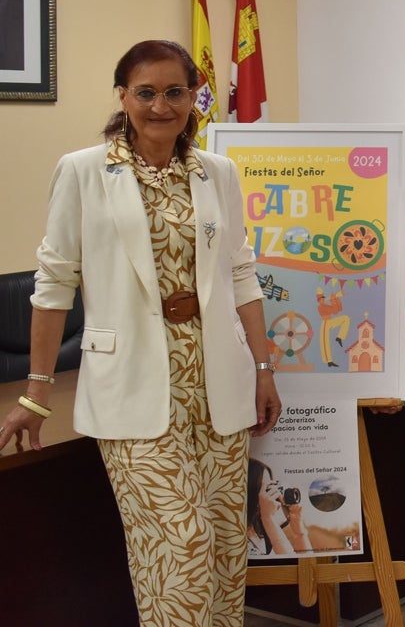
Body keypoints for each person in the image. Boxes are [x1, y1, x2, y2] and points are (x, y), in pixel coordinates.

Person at [0, 39, 282, 626]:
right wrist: (34, 393)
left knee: (226, 551)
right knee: (181, 545)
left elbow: (240, 272)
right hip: (133, 391)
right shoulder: (83, 171)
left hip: (216, 391)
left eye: (174, 92)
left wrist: (262, 367)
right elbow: (54, 288)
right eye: (146, 92)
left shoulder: (217, 172)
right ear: (123, 97)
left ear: (192, 98)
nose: (161, 105)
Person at [248, 457, 312, 556]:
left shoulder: (261, 534)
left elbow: (307, 562)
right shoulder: (239, 541)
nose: (272, 491)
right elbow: (290, 564)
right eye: (265, 487)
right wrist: (267, 517)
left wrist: (299, 531)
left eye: (271, 485)